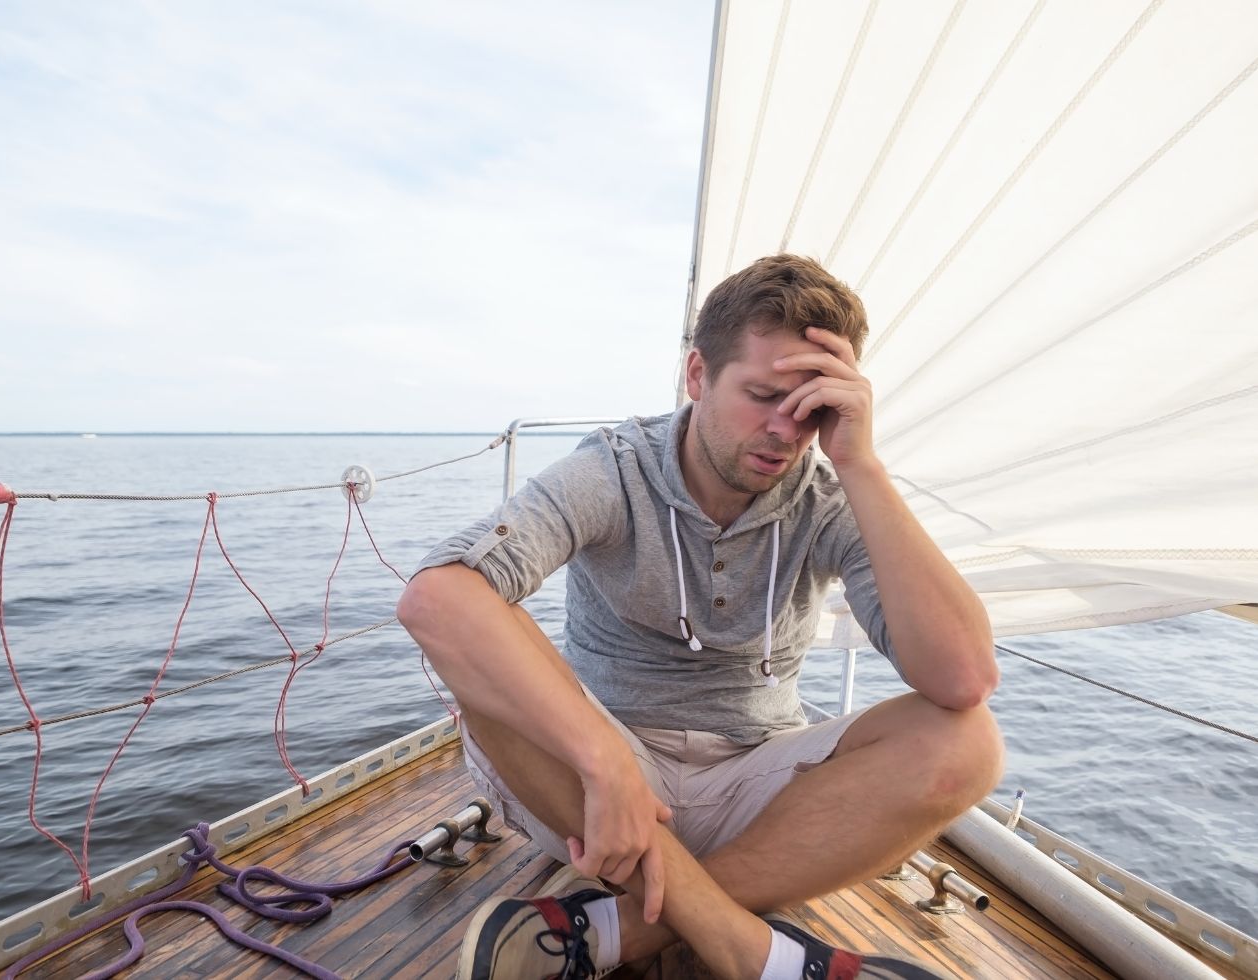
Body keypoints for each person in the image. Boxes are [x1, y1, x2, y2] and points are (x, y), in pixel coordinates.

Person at [397, 254, 1003, 980]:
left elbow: (962, 677)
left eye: (809, 407)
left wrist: (861, 466)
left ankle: (625, 929)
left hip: (761, 788)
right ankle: (755, 952)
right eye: (761, 395)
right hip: (596, 796)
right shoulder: (614, 470)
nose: (785, 429)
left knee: (967, 742)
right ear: (696, 376)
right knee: (485, 673)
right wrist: (606, 761)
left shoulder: (830, 495)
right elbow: (437, 596)